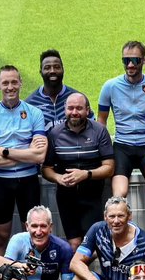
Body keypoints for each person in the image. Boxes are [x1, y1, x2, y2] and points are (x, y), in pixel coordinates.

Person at [0, 65, 48, 256]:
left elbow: (40, 156)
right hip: (1, 182)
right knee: (1, 235)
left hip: (29, 181)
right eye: (5, 83)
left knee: (35, 232)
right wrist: (28, 154)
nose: (10, 87)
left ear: (20, 83)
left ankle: (35, 276)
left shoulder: (35, 113)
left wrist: (5, 151)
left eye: (14, 82)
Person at [98, 41, 145, 200]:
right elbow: (101, 122)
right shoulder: (110, 86)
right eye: (125, 60)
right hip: (122, 147)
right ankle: (121, 225)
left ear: (144, 60)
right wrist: (104, 151)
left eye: (135, 60)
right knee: (119, 194)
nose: (130, 65)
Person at [43, 91, 115, 247]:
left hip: (93, 197)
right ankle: (80, 271)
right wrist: (58, 178)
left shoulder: (99, 131)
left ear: (87, 110)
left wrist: (86, 174)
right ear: (65, 109)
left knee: (95, 244)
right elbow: (46, 169)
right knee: (74, 245)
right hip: (66, 198)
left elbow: (109, 167)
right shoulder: (55, 134)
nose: (74, 112)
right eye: (70, 108)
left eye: (79, 108)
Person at [70, 196, 145, 280]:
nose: (116, 221)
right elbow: (74, 262)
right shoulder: (97, 230)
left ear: (129, 216)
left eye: (121, 216)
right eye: (112, 216)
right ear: (105, 217)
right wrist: (92, 279)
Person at [4, 205, 76, 280]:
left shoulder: (63, 248)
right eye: (34, 226)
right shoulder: (17, 240)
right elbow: (4, 277)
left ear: (50, 227)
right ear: (27, 226)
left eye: (43, 226)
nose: (38, 232)